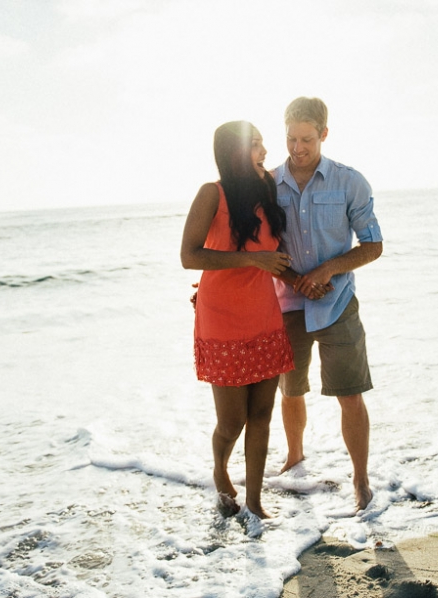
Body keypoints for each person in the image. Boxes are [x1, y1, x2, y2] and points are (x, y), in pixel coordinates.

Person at [272, 97, 383, 510]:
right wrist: (295, 280)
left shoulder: (349, 182)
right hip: (287, 303)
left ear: (323, 134)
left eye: (306, 139)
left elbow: (373, 246)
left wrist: (327, 271)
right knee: (290, 389)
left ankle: (360, 478)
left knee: (350, 393)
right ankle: (294, 458)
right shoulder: (269, 184)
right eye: (290, 138)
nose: (297, 148)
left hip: (338, 303)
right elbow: (261, 248)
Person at [180, 121, 294, 519]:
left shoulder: (266, 193)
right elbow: (189, 256)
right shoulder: (211, 193)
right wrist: (252, 259)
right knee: (232, 422)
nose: (265, 150)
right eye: (256, 145)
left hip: (264, 314)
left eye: (263, 143)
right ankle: (219, 468)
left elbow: (274, 260)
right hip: (222, 318)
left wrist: (307, 282)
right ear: (234, 152)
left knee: (262, 415)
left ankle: (255, 501)